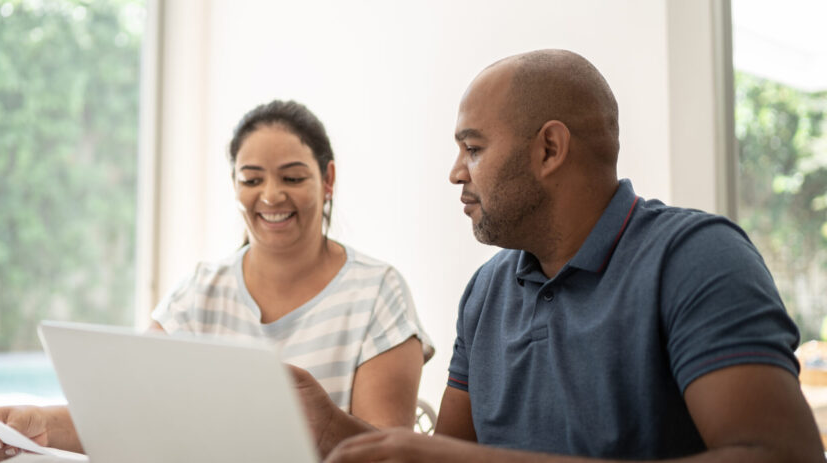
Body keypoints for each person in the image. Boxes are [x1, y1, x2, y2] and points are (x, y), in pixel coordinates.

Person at [298, 49, 824, 462]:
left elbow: (781, 457)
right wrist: (326, 427)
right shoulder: (487, 290)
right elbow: (448, 456)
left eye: (473, 148)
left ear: (549, 149)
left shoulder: (696, 258)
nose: (456, 172)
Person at [0, 100, 434, 462]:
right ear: (234, 185)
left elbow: (391, 455)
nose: (271, 196)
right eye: (251, 179)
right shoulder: (200, 291)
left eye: (292, 177)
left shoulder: (377, 292)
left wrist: (323, 423)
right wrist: (33, 425)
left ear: (327, 179)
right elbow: (127, 408)